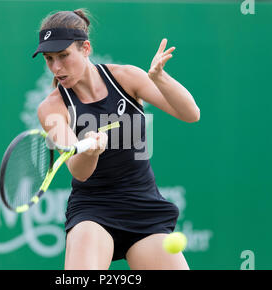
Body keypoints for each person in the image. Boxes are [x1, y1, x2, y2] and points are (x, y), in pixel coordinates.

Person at [34, 9, 199, 270]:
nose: (56, 67)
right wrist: (90, 152)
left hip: (144, 209)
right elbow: (79, 171)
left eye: (63, 56)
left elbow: (191, 114)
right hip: (92, 212)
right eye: (49, 58)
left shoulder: (126, 78)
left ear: (85, 48)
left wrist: (160, 79)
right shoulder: (51, 108)